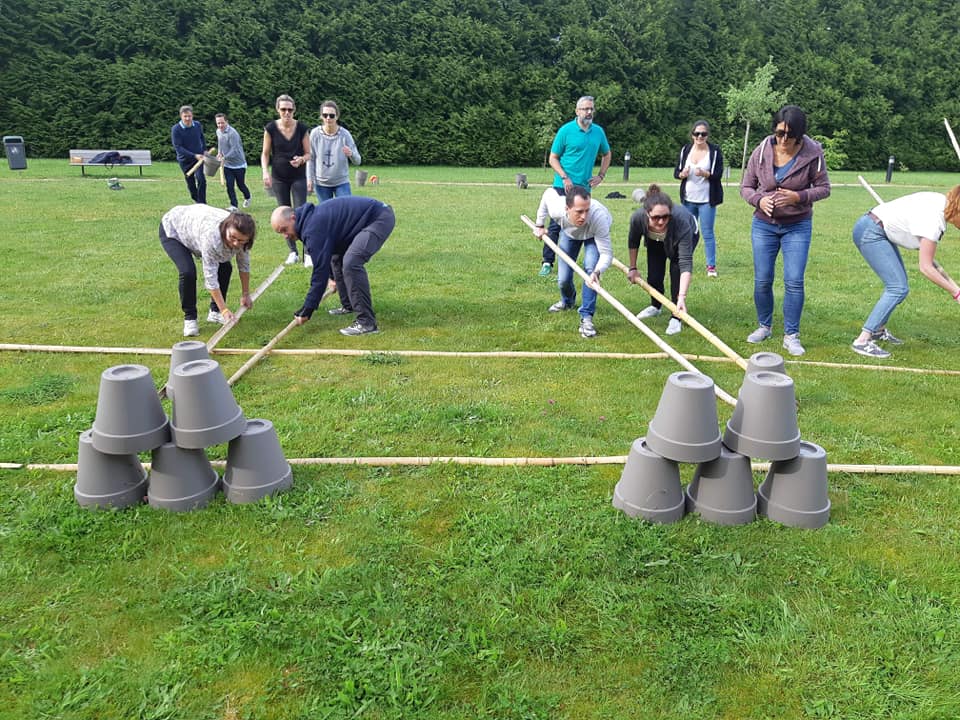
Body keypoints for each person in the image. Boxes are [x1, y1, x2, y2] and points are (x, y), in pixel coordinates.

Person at [740, 104, 831, 356]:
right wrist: (759, 200)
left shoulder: (814, 153)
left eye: (789, 135)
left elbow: (824, 188)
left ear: (800, 135)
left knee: (793, 281)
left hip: (797, 226)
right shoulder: (762, 150)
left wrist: (798, 196)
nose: (782, 140)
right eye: (779, 133)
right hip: (763, 225)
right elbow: (746, 186)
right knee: (762, 280)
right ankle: (764, 326)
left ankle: (791, 335)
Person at [850, 186, 960, 358]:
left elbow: (931, 262)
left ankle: (878, 331)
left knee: (898, 287)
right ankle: (862, 340)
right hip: (871, 231)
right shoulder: (934, 221)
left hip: (877, 226)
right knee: (897, 288)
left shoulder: (940, 201)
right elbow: (926, 267)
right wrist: (955, 293)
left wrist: (957, 291)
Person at [270, 197, 394, 335]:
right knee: (336, 259)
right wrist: (332, 277)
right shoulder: (308, 222)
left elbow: (319, 272)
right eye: (280, 233)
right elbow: (325, 255)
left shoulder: (313, 228)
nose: (285, 236)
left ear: (293, 218)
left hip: (378, 218)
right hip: (362, 222)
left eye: (284, 229)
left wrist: (308, 308)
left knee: (351, 263)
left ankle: (367, 323)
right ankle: (349, 306)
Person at [538, 96, 612, 277]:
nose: (589, 112)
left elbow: (607, 153)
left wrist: (601, 175)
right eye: (585, 109)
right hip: (562, 185)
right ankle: (547, 262)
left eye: (591, 109)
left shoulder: (598, 132)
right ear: (577, 111)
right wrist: (564, 177)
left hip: (584, 189)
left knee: (582, 222)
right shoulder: (566, 131)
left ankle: (587, 262)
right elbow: (553, 158)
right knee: (556, 225)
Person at [531, 184, 613, 339]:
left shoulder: (598, 217)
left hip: (592, 235)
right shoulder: (557, 208)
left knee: (590, 271)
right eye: (579, 212)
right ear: (567, 208)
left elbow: (606, 254)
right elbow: (548, 193)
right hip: (570, 234)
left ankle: (587, 317)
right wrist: (539, 224)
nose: (584, 216)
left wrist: (597, 271)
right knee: (563, 279)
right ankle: (567, 302)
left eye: (587, 210)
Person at [159, 206, 255, 337]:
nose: (235, 243)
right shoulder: (211, 236)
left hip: (194, 228)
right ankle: (190, 319)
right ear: (226, 228)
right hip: (173, 229)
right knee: (188, 272)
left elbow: (244, 265)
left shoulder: (243, 239)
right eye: (232, 237)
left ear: (248, 239)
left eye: (240, 240)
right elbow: (210, 278)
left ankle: (215, 312)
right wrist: (225, 310)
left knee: (225, 267)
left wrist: (245, 294)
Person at [627, 184, 700, 336]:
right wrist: (632, 268)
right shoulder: (637, 218)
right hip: (655, 239)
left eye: (665, 217)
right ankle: (656, 306)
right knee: (654, 275)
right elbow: (633, 242)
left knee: (676, 270)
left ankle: (676, 315)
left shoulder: (681, 222)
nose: (661, 222)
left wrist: (682, 297)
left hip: (685, 235)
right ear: (647, 214)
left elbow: (685, 263)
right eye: (656, 218)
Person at [261, 94, 311, 266]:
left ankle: (308, 252)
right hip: (279, 177)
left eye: (290, 110)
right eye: (283, 109)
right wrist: (265, 172)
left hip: (298, 176)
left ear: (294, 110)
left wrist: (302, 160)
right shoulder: (270, 128)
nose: (287, 113)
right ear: (278, 109)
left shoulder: (302, 128)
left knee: (301, 214)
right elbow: (265, 153)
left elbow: (309, 153)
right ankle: (292, 252)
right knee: (283, 215)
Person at [674, 119, 724, 277]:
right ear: (692, 135)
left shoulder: (714, 151)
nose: (700, 137)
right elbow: (677, 172)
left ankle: (711, 267)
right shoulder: (685, 150)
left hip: (707, 200)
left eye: (703, 134)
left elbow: (718, 174)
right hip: (688, 199)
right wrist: (682, 174)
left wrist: (705, 174)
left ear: (707, 135)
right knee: (687, 232)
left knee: (707, 232)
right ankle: (684, 261)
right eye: (697, 134)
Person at [307, 100, 362, 201]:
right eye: (325, 115)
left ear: (337, 116)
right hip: (321, 184)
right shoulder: (315, 134)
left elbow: (358, 161)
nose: (328, 118)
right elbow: (310, 159)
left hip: (341, 183)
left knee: (346, 211)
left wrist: (351, 154)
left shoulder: (345, 135)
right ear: (321, 116)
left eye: (331, 115)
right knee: (326, 214)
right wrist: (309, 179)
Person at [171, 105, 207, 204]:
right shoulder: (176, 129)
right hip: (185, 160)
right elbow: (178, 147)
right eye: (185, 116)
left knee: (201, 180)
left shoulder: (197, 125)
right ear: (181, 116)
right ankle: (196, 199)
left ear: (192, 116)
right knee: (190, 182)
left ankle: (202, 203)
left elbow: (202, 138)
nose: (187, 118)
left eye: (189, 116)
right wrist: (194, 155)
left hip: (199, 159)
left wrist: (204, 150)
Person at [215, 113, 252, 211]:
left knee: (240, 184)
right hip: (228, 164)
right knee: (230, 185)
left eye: (222, 123)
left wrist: (224, 157)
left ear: (226, 122)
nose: (220, 125)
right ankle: (234, 206)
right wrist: (219, 153)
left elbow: (234, 150)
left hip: (239, 164)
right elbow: (220, 144)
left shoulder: (232, 133)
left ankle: (248, 197)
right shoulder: (218, 131)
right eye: (218, 123)